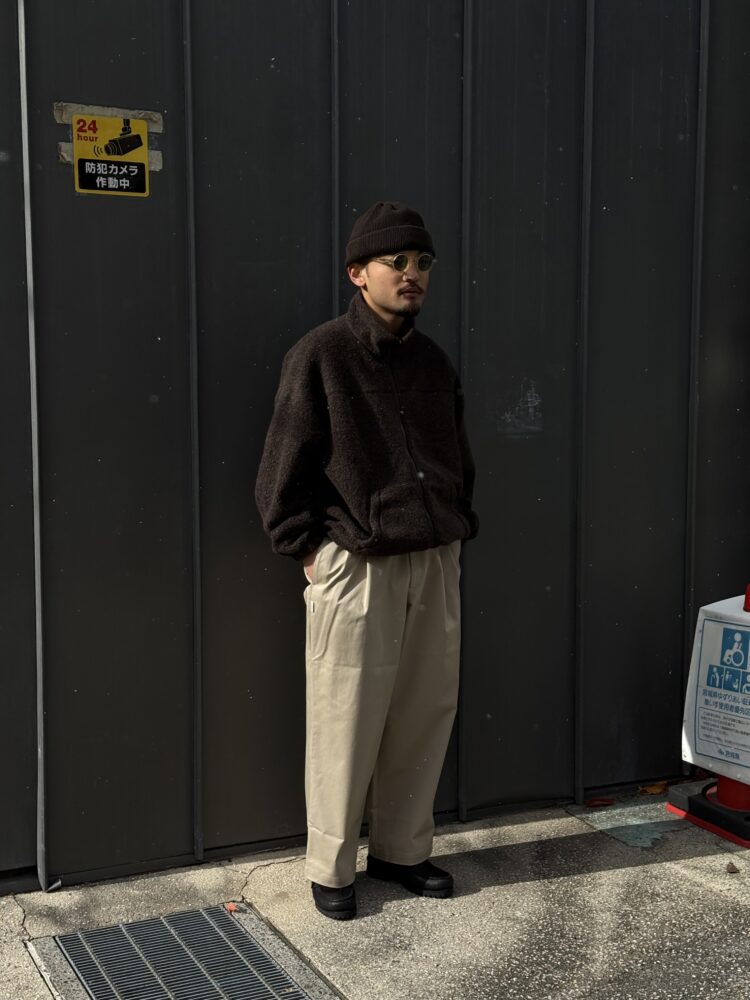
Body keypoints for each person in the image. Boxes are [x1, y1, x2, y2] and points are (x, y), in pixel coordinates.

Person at [255, 201, 478, 920]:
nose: (413, 274)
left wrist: (453, 526)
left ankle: (401, 852)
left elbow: (457, 459)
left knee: (424, 711)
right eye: (397, 262)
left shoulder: (433, 361)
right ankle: (330, 866)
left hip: (433, 559)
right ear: (358, 273)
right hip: (357, 566)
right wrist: (311, 550)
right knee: (344, 714)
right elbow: (281, 472)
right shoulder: (321, 355)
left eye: (423, 263)